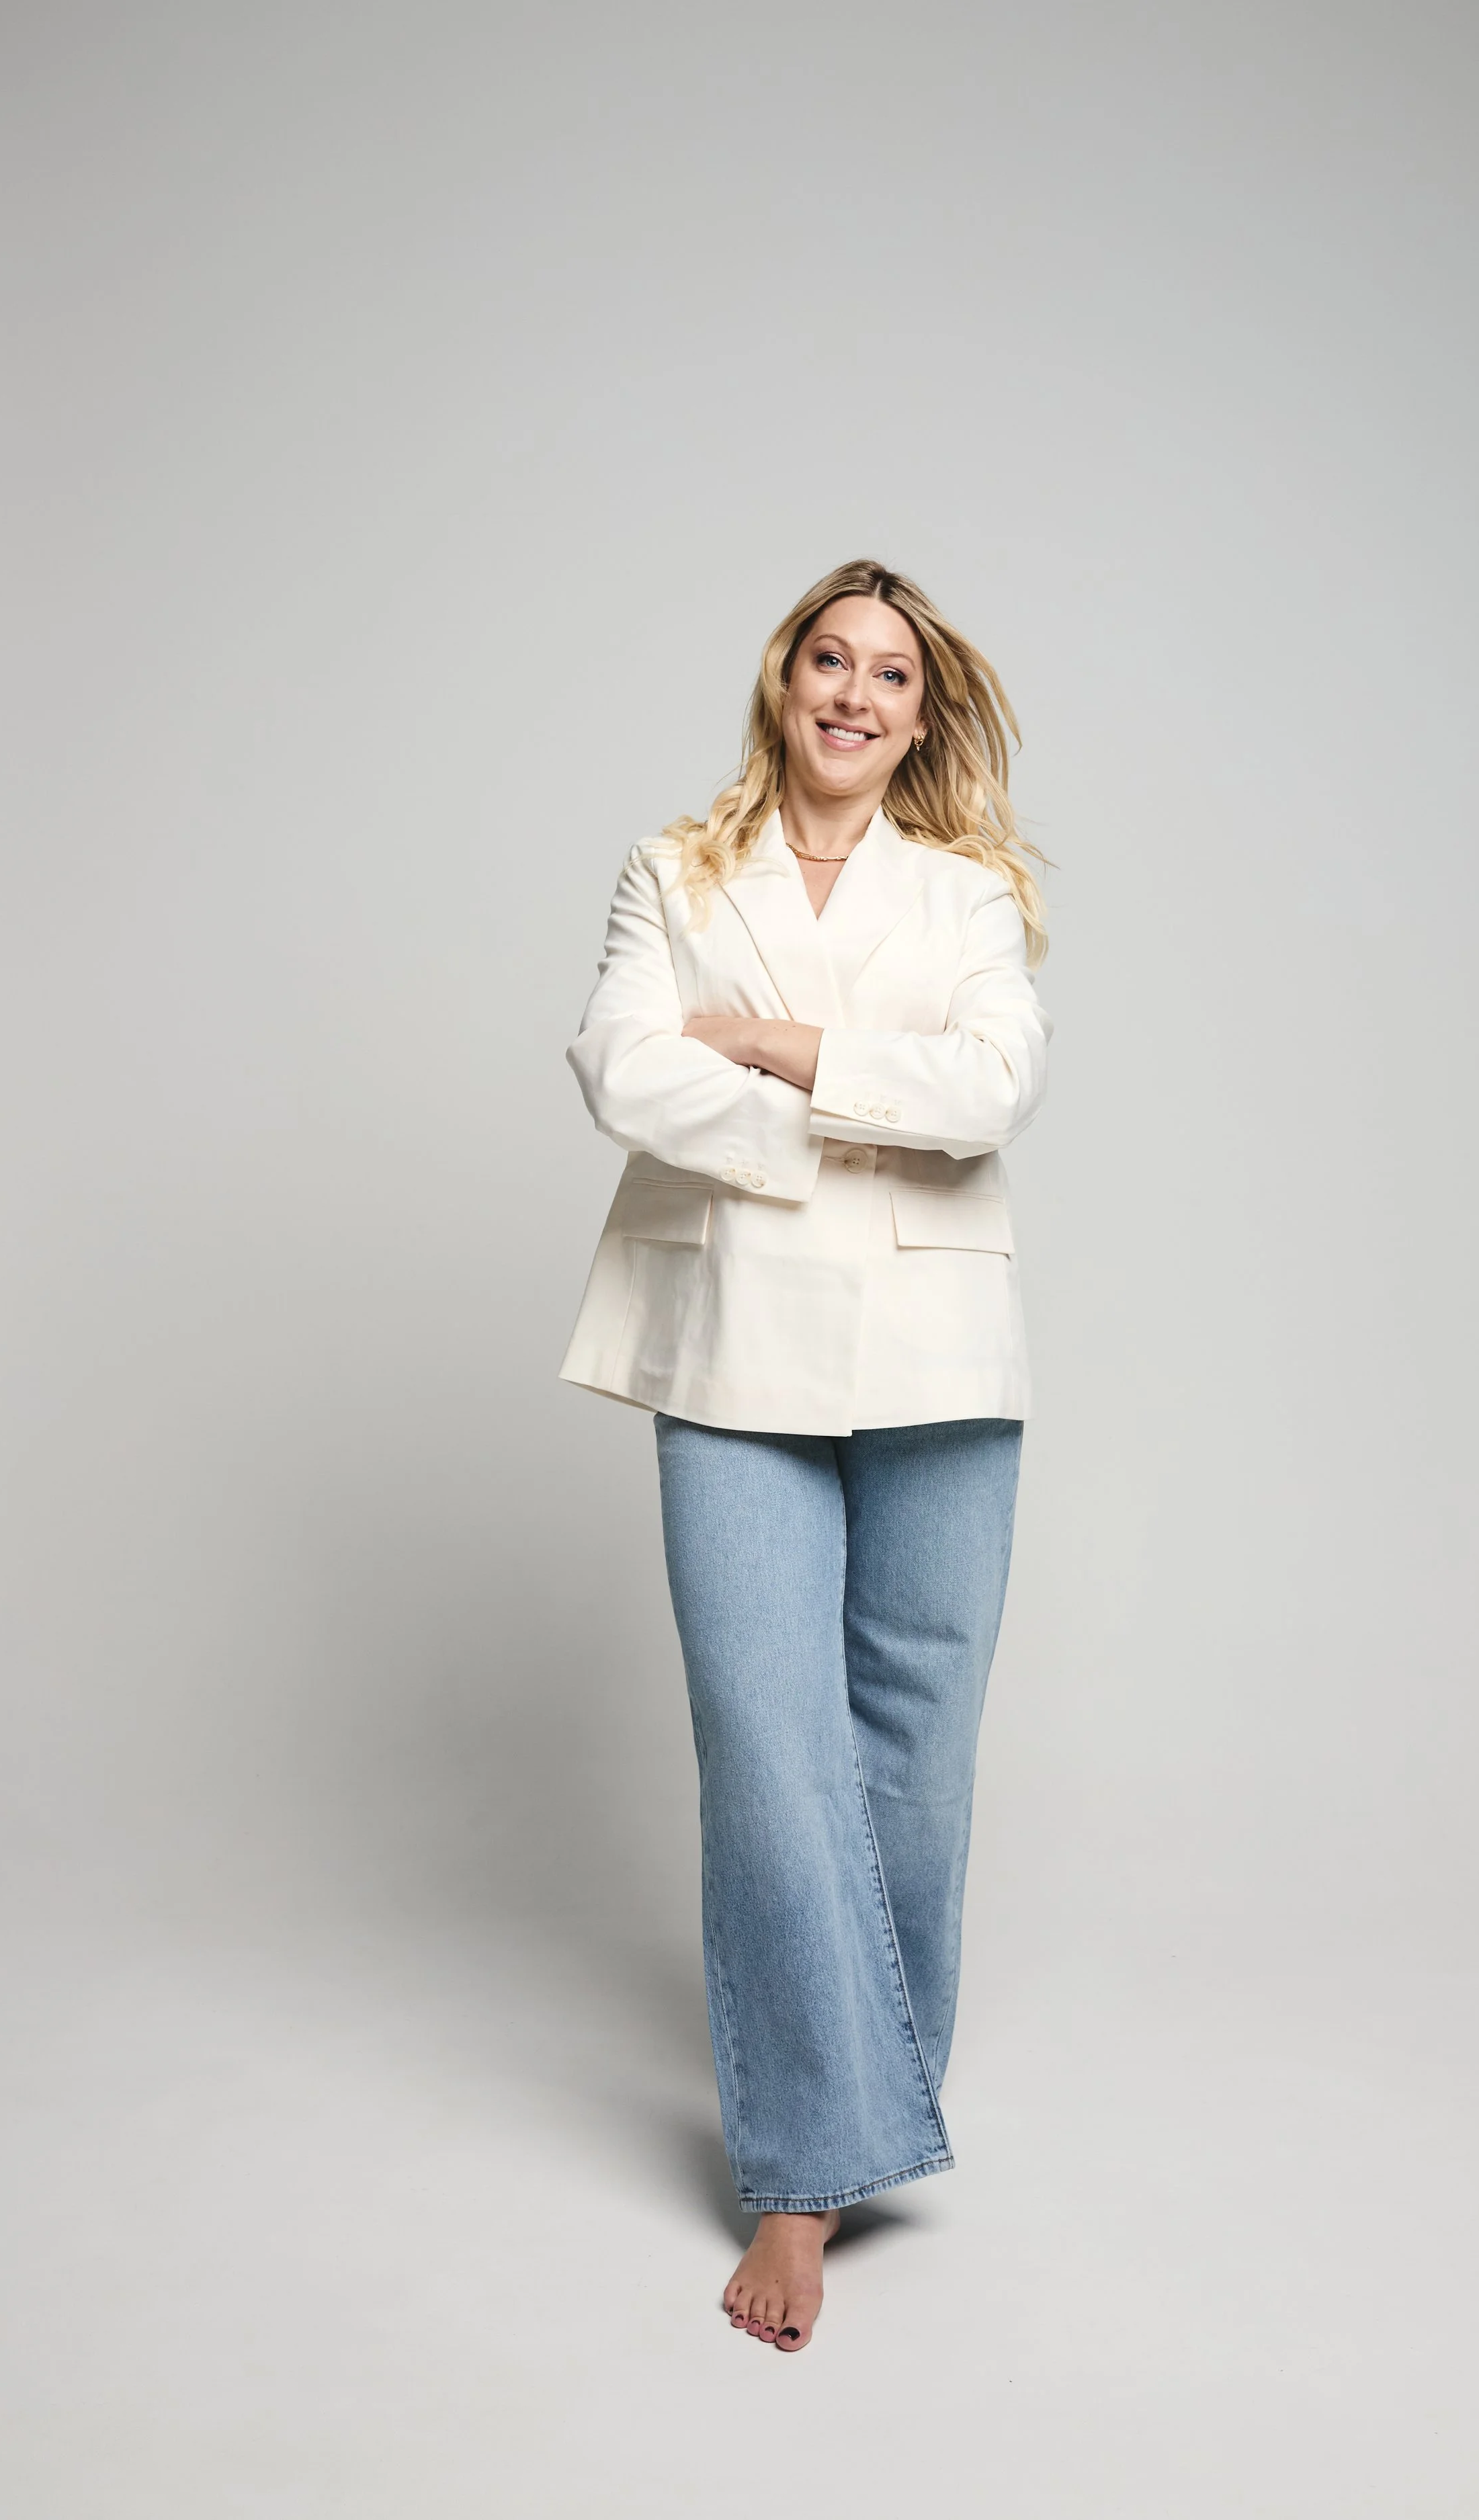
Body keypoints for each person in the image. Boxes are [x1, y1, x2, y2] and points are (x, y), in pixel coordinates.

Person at [560, 558, 1052, 2351]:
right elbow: (619, 1073)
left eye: (890, 674)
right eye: (827, 661)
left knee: (911, 1738)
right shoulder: (672, 870)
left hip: (937, 1345)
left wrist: (764, 1044)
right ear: (782, 686)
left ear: (921, 717)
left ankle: (860, 2109)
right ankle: (801, 2168)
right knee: (769, 1741)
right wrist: (857, 1095)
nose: (854, 692)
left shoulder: (970, 890)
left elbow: (987, 1089)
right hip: (731, 1337)